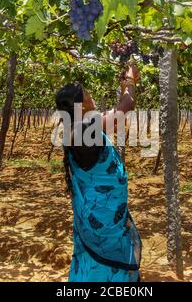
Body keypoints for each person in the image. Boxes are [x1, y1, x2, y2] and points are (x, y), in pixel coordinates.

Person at [55, 64, 142, 282]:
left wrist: (124, 85)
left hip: (96, 215)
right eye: (86, 93)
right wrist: (130, 82)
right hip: (103, 219)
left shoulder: (77, 128)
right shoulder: (83, 129)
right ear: (80, 105)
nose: (91, 95)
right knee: (108, 265)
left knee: (91, 266)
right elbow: (126, 106)